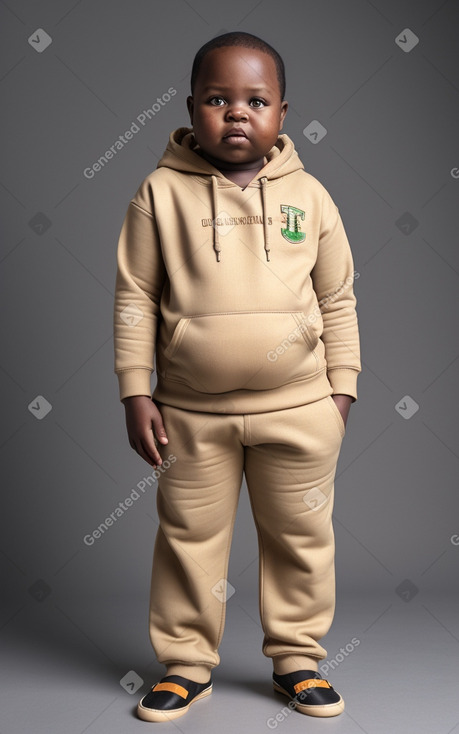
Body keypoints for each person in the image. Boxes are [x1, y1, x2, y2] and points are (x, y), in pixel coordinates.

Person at [113, 31, 361, 723]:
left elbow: (338, 297)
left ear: (283, 112)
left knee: (300, 538)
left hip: (299, 408)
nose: (236, 114)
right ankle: (186, 664)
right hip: (190, 412)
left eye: (255, 100)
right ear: (191, 107)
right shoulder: (158, 193)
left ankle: (297, 660)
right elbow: (134, 295)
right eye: (217, 100)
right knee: (188, 538)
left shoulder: (309, 197)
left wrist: (341, 389)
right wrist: (135, 390)